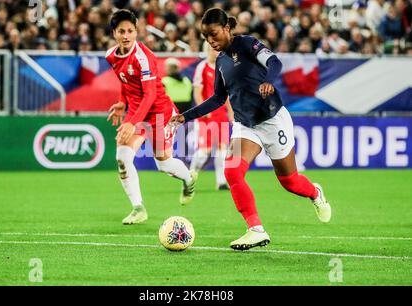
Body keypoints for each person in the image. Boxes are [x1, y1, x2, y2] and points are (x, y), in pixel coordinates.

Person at [170, 8, 331, 250]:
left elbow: (274, 62)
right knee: (232, 172)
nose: (210, 41)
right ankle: (256, 229)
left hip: (272, 120)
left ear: (226, 28)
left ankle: (315, 193)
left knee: (290, 181)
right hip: (246, 125)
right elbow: (217, 98)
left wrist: (268, 81)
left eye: (213, 34)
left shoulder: (247, 44)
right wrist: (186, 116)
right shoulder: (221, 62)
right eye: (205, 37)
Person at [106, 9, 197, 225]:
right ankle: (138, 208)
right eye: (121, 31)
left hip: (160, 113)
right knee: (122, 157)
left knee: (163, 164)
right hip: (137, 113)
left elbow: (150, 95)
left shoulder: (143, 57)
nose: (126, 35)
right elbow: (124, 80)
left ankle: (188, 178)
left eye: (130, 31)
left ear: (136, 32)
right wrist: (121, 102)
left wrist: (131, 121)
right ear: (114, 33)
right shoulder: (111, 56)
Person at [190, 41, 234, 190]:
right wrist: (203, 109)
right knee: (204, 152)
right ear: (207, 50)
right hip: (206, 117)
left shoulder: (224, 68)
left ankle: (221, 182)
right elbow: (197, 90)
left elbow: (227, 94)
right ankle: (190, 175)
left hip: (220, 116)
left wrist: (230, 112)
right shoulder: (202, 67)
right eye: (212, 49)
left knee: (222, 151)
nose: (215, 52)